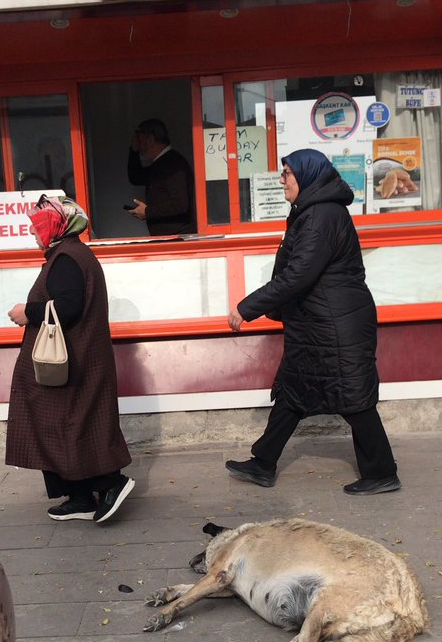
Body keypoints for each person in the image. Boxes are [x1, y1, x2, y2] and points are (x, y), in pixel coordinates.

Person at [225, 149, 400, 496]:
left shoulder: (321, 215)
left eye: (287, 173)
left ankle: (381, 472)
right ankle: (263, 462)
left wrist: (249, 307)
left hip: (337, 323)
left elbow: (298, 274)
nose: (282, 179)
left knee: (354, 397)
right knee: (293, 390)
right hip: (318, 321)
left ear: (305, 176)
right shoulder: (311, 211)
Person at [6, 194, 135, 523]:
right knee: (67, 425)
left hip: (73, 365)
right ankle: (80, 496)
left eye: (36, 227)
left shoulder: (67, 258)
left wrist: (28, 313)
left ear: (54, 226)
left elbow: (68, 306)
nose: (33, 234)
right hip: (79, 362)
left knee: (67, 424)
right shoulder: (69, 253)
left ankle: (111, 484)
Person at [126, 118, 195, 236]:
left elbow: (180, 204)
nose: (137, 143)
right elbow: (136, 177)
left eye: (139, 139)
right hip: (169, 237)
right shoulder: (160, 163)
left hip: (177, 239)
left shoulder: (172, 164)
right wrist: (133, 151)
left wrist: (148, 212)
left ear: (151, 140)